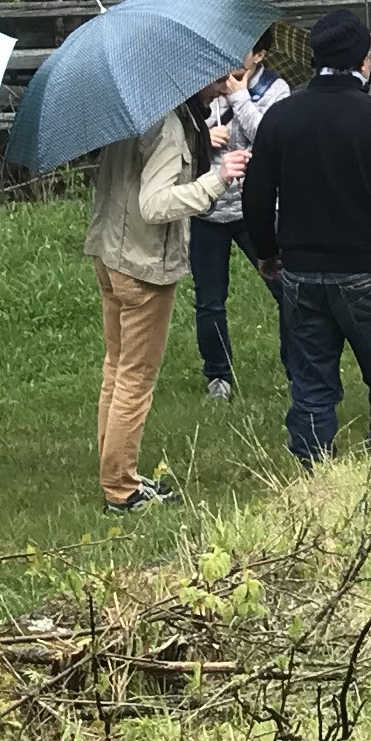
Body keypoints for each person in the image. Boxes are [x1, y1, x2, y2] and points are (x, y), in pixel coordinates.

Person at [238, 7, 371, 464]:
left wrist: (266, 251)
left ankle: (312, 467)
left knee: (310, 380)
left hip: (300, 270)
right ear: (364, 61)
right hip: (362, 267)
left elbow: (256, 197)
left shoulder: (281, 117)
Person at [82, 84, 242, 513]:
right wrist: (216, 180)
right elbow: (154, 205)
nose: (227, 83)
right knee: (135, 379)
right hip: (142, 265)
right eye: (219, 76)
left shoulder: (134, 109)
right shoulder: (169, 126)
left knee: (116, 369)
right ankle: (120, 490)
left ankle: (115, 472)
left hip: (110, 253)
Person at [188, 43, 287, 402]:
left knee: (286, 290)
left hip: (256, 209)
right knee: (210, 300)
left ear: (259, 55)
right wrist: (201, 135)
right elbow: (177, 138)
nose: (228, 56)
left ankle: (299, 368)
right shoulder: (201, 85)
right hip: (206, 209)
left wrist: (241, 97)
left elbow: (271, 140)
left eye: (241, 50)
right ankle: (218, 376)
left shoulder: (275, 89)